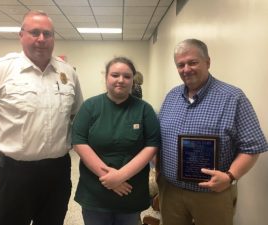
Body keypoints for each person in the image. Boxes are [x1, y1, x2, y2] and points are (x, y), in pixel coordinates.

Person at [0, 10, 83, 225]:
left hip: (57, 171)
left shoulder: (68, 73)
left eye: (47, 33)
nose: (41, 39)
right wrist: (2, 142)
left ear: (53, 38)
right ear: (21, 35)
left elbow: (75, 113)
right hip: (12, 172)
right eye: (34, 32)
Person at [158, 38, 268, 225]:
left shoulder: (233, 97)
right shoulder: (171, 97)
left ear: (207, 62)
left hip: (212, 194)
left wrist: (230, 176)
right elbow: (161, 139)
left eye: (192, 62)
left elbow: (253, 147)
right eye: (181, 64)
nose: (186, 69)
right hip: (171, 192)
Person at [72, 57, 160, 225]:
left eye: (127, 76)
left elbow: (152, 145)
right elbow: (79, 142)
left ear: (133, 79)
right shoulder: (90, 106)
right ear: (106, 77)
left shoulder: (144, 109)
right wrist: (110, 178)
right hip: (96, 191)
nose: (121, 80)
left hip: (130, 191)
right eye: (115, 75)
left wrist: (120, 176)